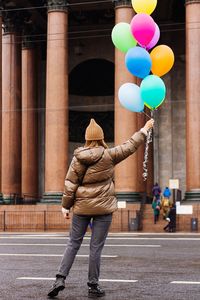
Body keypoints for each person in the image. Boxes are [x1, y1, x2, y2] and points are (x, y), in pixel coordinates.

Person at [47, 118, 154, 298]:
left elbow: (70, 184)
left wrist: (65, 207)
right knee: (95, 247)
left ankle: (60, 279)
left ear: (87, 139)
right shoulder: (109, 155)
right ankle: (93, 286)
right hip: (103, 209)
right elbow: (130, 146)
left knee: (73, 243)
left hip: (81, 208)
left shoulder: (78, 158)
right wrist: (144, 129)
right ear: (102, 138)